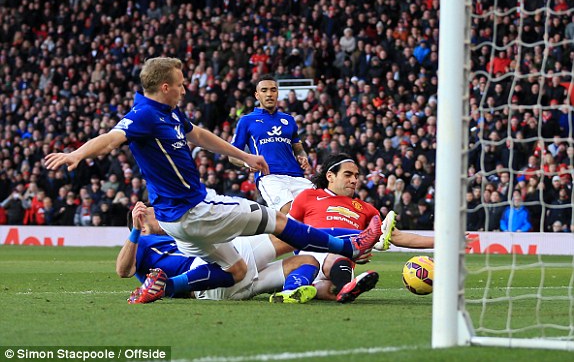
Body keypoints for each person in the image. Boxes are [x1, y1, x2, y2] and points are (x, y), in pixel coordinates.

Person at [45, 57, 381, 304]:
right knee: (279, 221)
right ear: (165, 87)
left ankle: (167, 287)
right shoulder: (144, 115)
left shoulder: (172, 113)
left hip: (175, 221)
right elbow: (111, 137)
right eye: (180, 82)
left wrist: (245, 156)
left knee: (235, 270)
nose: (184, 87)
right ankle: (348, 245)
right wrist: (77, 154)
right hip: (195, 209)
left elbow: (200, 135)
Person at [289, 154, 435, 302]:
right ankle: (338, 286)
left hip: (342, 266)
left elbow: (396, 236)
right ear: (330, 176)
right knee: (335, 259)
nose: (354, 180)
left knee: (330, 289)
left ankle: (310, 288)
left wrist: (440, 242)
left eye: (356, 176)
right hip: (311, 255)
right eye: (348, 175)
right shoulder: (308, 196)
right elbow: (287, 231)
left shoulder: (366, 209)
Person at [118, 202, 320, 304]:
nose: (159, 214)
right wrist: (135, 231)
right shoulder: (142, 241)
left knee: (307, 261)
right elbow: (123, 271)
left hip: (219, 291)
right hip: (206, 274)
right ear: (142, 227)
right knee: (285, 235)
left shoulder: (174, 235)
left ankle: (289, 293)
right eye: (153, 213)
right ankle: (339, 236)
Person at [230, 74, 314, 214]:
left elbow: (298, 149)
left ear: (277, 93)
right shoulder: (246, 121)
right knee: (288, 211)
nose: (269, 94)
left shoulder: (289, 120)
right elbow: (232, 155)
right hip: (270, 176)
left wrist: (302, 156)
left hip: (297, 176)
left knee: (318, 208)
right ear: (257, 95)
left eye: (273, 90)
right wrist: (247, 163)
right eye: (264, 90)